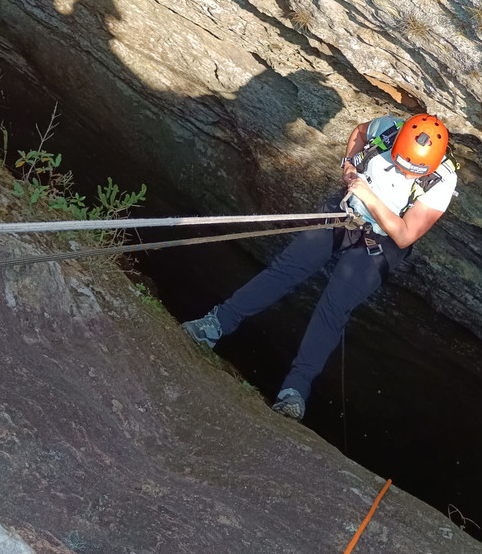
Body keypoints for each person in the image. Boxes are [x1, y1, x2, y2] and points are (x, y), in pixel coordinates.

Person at [182, 113, 457, 421]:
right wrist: (350, 165)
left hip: (382, 241)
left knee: (334, 306)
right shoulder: (390, 129)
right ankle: (216, 324)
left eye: (413, 172)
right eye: (403, 165)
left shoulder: (442, 181)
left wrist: (368, 194)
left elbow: (405, 235)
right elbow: (361, 131)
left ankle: (294, 391)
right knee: (287, 269)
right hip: (345, 210)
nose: (406, 175)